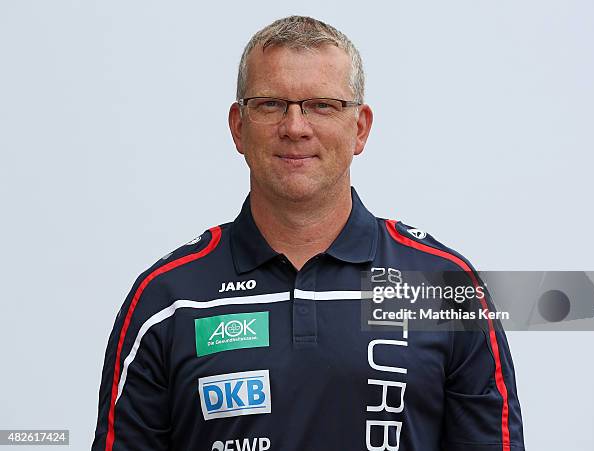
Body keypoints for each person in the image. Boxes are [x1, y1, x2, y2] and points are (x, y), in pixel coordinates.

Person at [92, 15, 525, 451]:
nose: (295, 127)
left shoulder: (443, 286)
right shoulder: (167, 299)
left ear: (360, 128)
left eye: (322, 105)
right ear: (238, 127)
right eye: (269, 104)